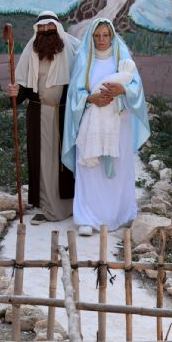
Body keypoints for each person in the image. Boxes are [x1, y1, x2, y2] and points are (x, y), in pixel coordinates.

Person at [62, 19, 150, 235]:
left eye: (105, 35)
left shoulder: (123, 58)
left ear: (112, 36)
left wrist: (122, 90)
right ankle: (88, 218)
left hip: (119, 122)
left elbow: (136, 89)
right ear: (91, 37)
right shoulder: (84, 58)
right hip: (91, 122)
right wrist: (91, 98)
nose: (101, 40)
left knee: (118, 170)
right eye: (97, 36)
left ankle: (119, 214)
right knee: (90, 169)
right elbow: (75, 93)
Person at [8, 11, 80, 225]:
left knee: (66, 161)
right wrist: (15, 92)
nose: (46, 32)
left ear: (57, 29)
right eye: (42, 28)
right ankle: (48, 208)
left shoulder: (73, 48)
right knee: (43, 162)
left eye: (50, 28)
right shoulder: (30, 51)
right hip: (39, 114)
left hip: (65, 115)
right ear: (36, 30)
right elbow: (22, 84)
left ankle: (70, 206)